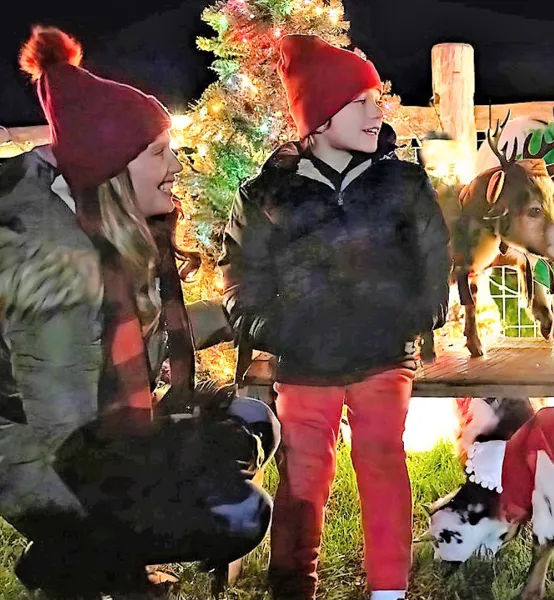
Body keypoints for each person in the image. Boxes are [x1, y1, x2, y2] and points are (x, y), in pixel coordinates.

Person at [0, 26, 279, 598]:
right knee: (237, 512)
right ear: (112, 170)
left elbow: (127, 343)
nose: (176, 167)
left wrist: (236, 313)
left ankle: (80, 552)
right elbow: (72, 441)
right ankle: (74, 560)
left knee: (253, 421)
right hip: (28, 446)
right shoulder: (57, 264)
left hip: (83, 431)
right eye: (158, 154)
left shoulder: (105, 226)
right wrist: (182, 458)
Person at [219, 34, 451, 599]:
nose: (377, 111)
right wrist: (280, 332)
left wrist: (412, 317)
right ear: (320, 118)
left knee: (382, 459)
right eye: (360, 101)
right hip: (305, 361)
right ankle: (294, 585)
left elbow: (434, 261)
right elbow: (241, 278)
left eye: (378, 100)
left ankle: (389, 589)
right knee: (303, 471)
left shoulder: (404, 184)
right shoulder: (267, 195)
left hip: (382, 356)